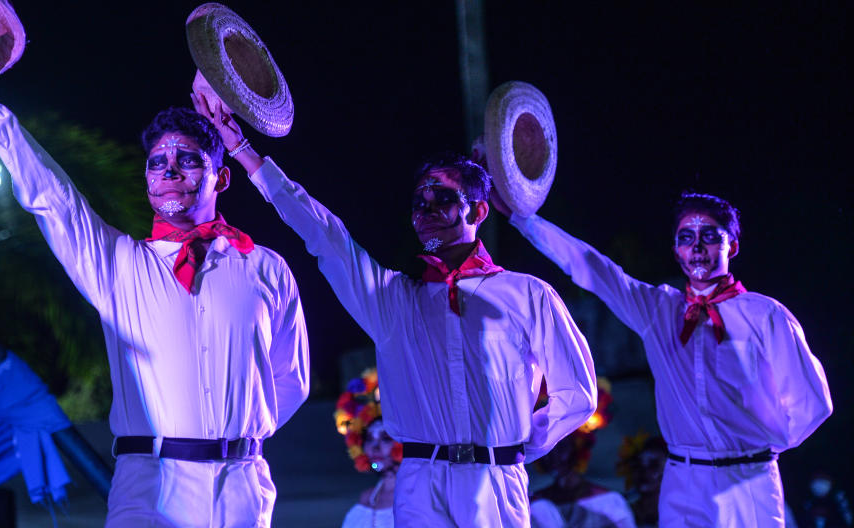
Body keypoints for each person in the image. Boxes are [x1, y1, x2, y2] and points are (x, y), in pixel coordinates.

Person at [0, 25, 310, 528]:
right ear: (147, 180)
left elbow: (289, 381)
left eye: (189, 161)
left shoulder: (266, 268)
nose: (170, 171)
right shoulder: (118, 264)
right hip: (150, 488)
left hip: (243, 489)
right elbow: (49, 195)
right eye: (157, 163)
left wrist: (235, 434)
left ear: (221, 176)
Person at [193, 90, 597, 528]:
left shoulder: (528, 294)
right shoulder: (393, 300)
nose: (426, 211)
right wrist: (242, 150)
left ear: (479, 210)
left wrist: (518, 445)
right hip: (420, 485)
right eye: (418, 203)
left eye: (442, 198)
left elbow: (577, 393)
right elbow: (326, 235)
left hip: (497, 482)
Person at [492, 185, 832, 527]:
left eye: (710, 235)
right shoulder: (660, 309)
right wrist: (524, 220)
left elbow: (812, 402)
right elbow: (593, 269)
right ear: (676, 250)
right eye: (687, 237)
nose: (697, 246)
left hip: (748, 480)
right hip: (683, 481)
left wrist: (759, 448)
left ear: (734, 245)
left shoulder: (765, 315)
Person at [529, 379, 635, 528]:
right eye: (546, 450)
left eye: (560, 447)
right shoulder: (532, 504)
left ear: (577, 447)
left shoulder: (609, 503)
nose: (553, 457)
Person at [335, 367, 402, 528]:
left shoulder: (420, 494)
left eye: (385, 439)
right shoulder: (367, 498)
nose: (375, 448)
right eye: (369, 439)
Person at [615, 432, 667, 528]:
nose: (644, 472)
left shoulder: (679, 516)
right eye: (637, 465)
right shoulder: (618, 513)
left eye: (654, 465)